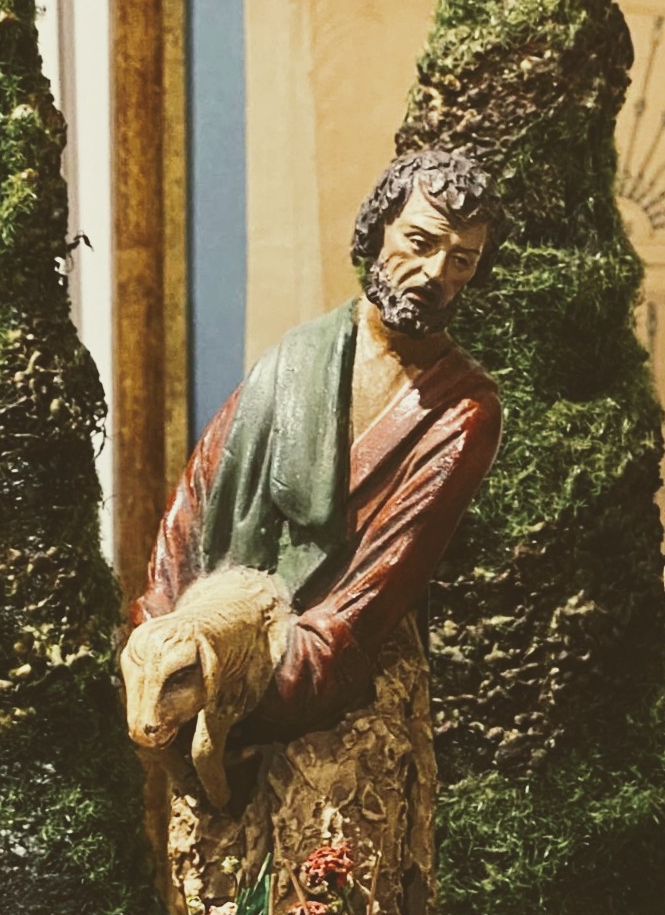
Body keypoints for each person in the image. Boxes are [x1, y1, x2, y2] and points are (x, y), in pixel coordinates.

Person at [133, 148, 504, 746]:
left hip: (335, 705)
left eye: (461, 260)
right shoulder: (294, 360)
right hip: (205, 663)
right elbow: (191, 515)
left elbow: (376, 588)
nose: (435, 273)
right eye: (419, 241)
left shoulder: (461, 409)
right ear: (379, 229)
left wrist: (265, 675)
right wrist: (159, 632)